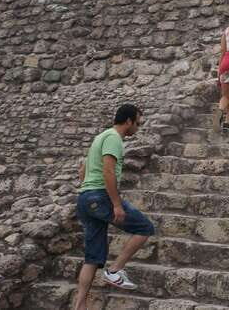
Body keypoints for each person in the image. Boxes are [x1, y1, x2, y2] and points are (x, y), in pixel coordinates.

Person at [74, 104, 154, 310]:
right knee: (144, 228)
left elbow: (83, 168)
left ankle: (79, 305)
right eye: (137, 123)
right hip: (100, 196)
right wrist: (116, 204)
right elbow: (108, 172)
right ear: (128, 121)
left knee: (92, 258)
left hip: (85, 198)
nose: (138, 127)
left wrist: (85, 188)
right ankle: (115, 270)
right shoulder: (114, 139)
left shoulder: (100, 136)